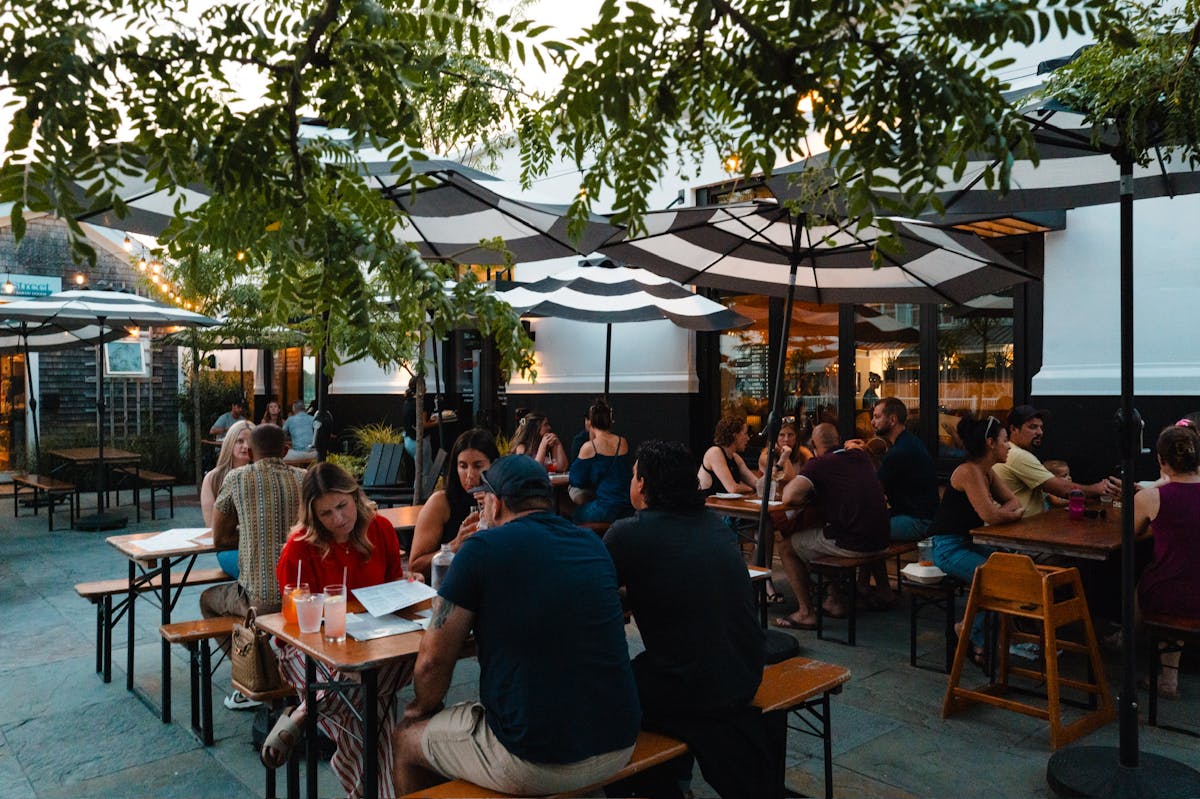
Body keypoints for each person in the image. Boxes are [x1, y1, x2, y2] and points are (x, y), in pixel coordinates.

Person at [392, 455, 640, 795]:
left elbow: (433, 658)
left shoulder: (481, 549)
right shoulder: (591, 544)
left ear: (497, 504)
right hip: (620, 741)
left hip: (534, 758)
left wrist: (419, 710)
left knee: (406, 739)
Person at [603, 440, 767, 799]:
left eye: (633, 474)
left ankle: (650, 787)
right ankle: (674, 781)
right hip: (746, 671)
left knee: (604, 692)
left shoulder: (628, 533)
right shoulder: (713, 524)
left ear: (642, 484)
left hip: (694, 686)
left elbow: (592, 601)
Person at [263, 463, 411, 798]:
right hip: (308, 648)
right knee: (371, 712)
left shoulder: (381, 528)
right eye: (326, 513)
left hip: (370, 643)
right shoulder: (299, 547)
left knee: (392, 670)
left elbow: (394, 586)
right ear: (314, 515)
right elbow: (295, 624)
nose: (338, 519)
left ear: (355, 495)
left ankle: (305, 711)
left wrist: (407, 586)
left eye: (342, 506)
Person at [201, 423, 305, 710]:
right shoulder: (304, 478)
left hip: (260, 601)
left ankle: (256, 679)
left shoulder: (237, 478)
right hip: (301, 598)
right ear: (285, 449)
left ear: (252, 451)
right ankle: (273, 669)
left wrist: (248, 532)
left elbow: (219, 537)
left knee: (208, 601)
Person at [774, 423, 891, 630]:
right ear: (837, 440)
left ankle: (805, 613)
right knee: (820, 536)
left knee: (786, 547)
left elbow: (789, 496)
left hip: (855, 543)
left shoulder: (819, 463)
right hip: (882, 539)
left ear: (814, 445)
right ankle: (833, 599)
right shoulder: (861, 457)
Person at [929, 416, 1024, 665]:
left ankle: (983, 638)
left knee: (1011, 571)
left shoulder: (987, 472)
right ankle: (968, 631)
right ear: (990, 443)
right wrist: (1012, 514)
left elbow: (1013, 502)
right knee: (997, 579)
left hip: (969, 543)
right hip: (948, 547)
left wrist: (1009, 512)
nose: (1009, 446)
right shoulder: (968, 471)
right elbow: (990, 515)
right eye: (1005, 441)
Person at [1135, 424, 1200, 699]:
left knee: (1145, 586)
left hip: (1169, 594)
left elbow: (1129, 534)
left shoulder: (1150, 497)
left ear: (1161, 460)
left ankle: (1130, 650)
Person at [993, 405, 1117, 516]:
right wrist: (1098, 489)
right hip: (1011, 535)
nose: (1040, 432)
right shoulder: (1017, 455)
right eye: (1033, 427)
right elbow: (1063, 490)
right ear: (1014, 429)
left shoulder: (1015, 452)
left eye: (1041, 427)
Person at [409, 429, 499, 580]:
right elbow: (415, 567)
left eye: (478, 466)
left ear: (494, 465)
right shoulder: (441, 502)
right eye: (463, 466)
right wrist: (455, 545)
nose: (469, 475)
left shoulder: (504, 501)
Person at [871, 397, 939, 541]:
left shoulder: (900, 451)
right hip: (922, 518)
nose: (872, 422)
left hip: (917, 522)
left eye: (877, 417)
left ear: (893, 420)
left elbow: (874, 490)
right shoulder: (909, 441)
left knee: (860, 529)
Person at [200, 419, 255, 579]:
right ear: (230, 443)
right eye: (240, 441)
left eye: (250, 442)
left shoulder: (261, 475)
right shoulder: (213, 478)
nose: (245, 446)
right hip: (230, 548)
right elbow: (213, 527)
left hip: (261, 547)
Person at [569, 398, 634, 524]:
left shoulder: (589, 447)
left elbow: (576, 480)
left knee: (576, 514)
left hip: (606, 509)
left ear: (590, 423)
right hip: (627, 507)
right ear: (611, 421)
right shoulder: (623, 442)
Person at [697, 415, 759, 496]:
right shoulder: (714, 452)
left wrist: (776, 467)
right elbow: (733, 488)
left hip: (725, 506)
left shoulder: (735, 457)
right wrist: (750, 489)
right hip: (707, 505)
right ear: (735, 435)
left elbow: (757, 483)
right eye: (745, 434)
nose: (748, 438)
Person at [403, 376, 441, 478]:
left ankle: (419, 492)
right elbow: (423, 425)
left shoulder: (408, 401)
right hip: (419, 441)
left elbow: (415, 421)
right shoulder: (421, 403)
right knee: (425, 472)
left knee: (420, 471)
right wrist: (438, 422)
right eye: (424, 385)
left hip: (408, 439)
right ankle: (423, 493)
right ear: (421, 387)